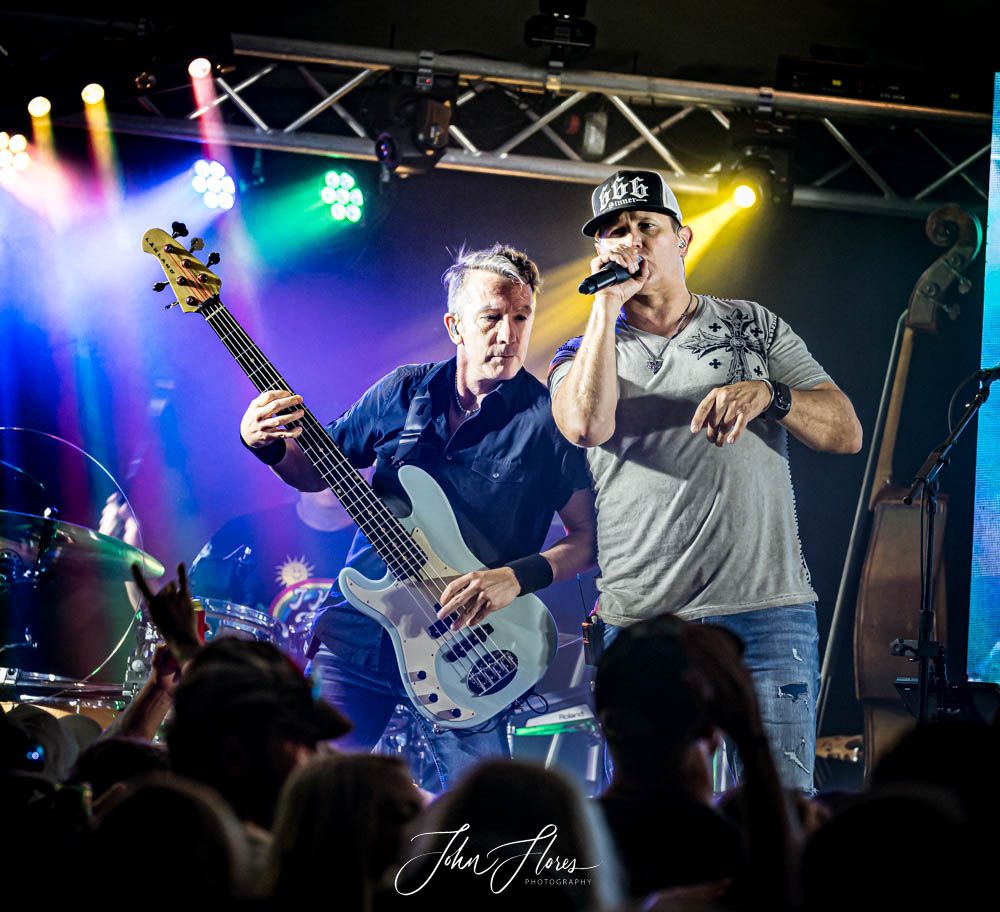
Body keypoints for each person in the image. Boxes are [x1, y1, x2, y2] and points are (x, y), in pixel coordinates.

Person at [239, 244, 596, 790]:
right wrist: (265, 444)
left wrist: (513, 578)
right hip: (358, 638)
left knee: (483, 820)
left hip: (470, 652)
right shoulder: (402, 392)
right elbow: (315, 469)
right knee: (302, 793)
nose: (509, 334)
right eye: (492, 318)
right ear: (455, 326)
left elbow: (588, 538)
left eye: (521, 317)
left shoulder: (549, 420)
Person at [549, 170, 862, 791]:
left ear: (683, 239)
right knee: (651, 814)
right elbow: (584, 425)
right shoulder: (579, 353)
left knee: (779, 806)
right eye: (615, 232)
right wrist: (605, 305)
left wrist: (771, 394)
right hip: (644, 619)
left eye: (647, 225)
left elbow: (846, 432)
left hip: (766, 612)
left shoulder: (753, 326)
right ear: (600, 251)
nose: (632, 240)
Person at [190, 489, 357, 657]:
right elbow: (197, 606)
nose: (333, 479)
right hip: (259, 669)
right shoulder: (242, 532)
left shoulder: (374, 541)